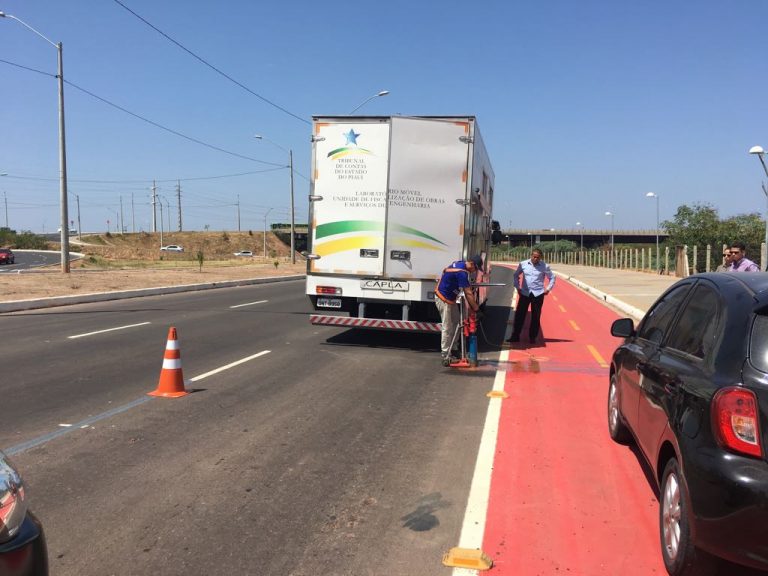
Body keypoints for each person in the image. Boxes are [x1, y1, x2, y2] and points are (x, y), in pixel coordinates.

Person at [435, 255, 482, 365]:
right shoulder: (462, 272)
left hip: (450, 299)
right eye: (476, 268)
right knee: (447, 326)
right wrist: (477, 309)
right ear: (471, 263)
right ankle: (446, 354)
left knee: (456, 323)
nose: (475, 271)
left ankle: (454, 348)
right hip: (443, 299)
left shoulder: (459, 263)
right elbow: (468, 293)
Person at [507, 248, 555, 344]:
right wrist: (517, 286)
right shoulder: (523, 264)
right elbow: (516, 275)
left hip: (538, 294)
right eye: (534, 256)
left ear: (540, 257)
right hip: (525, 293)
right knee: (520, 315)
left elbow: (552, 277)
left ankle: (532, 337)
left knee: (535, 316)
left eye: (537, 257)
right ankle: (515, 336)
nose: (535, 259)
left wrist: (548, 289)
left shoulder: (545, 266)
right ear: (531, 255)